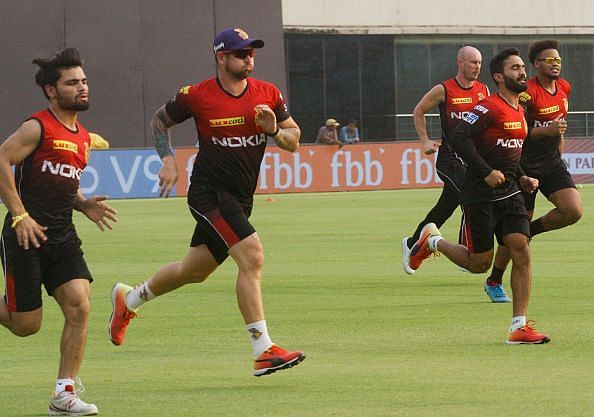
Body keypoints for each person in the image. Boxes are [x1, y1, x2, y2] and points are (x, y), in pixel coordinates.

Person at [108, 28, 305, 377]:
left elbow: (294, 141)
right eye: (241, 53)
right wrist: (167, 159)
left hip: (241, 198)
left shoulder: (268, 94)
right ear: (221, 58)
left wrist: (274, 131)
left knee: (193, 272)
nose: (249, 58)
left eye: (251, 52)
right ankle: (263, 349)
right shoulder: (196, 95)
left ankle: (130, 299)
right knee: (252, 254)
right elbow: (159, 121)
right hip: (209, 193)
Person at [0, 48, 117, 416]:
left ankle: (63, 395)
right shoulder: (36, 126)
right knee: (26, 326)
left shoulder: (83, 136)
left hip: (62, 235)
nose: (82, 88)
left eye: (83, 81)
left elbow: (63, 183)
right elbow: (1, 160)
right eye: (72, 83)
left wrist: (83, 205)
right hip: (25, 234)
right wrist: (19, 215)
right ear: (52, 90)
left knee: (80, 304)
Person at [408, 48, 550, 344]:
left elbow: (511, 152)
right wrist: (485, 171)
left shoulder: (519, 110)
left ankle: (519, 326)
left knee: (521, 250)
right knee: (479, 265)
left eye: (523, 67)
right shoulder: (488, 106)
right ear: (499, 77)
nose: (522, 72)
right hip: (480, 195)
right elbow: (458, 137)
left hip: (510, 191)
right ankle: (432, 241)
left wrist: (522, 175)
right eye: (515, 68)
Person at [484, 39, 583, 299]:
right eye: (549, 60)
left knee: (573, 211)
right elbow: (517, 129)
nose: (555, 64)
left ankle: (533, 231)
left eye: (558, 60)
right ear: (536, 64)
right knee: (515, 234)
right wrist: (546, 131)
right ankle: (494, 280)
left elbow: (559, 123)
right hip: (523, 166)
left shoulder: (564, 87)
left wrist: (557, 143)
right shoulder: (526, 93)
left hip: (551, 163)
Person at [400, 47, 500, 289]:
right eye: (473, 62)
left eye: (480, 62)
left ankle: (413, 242)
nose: (477, 66)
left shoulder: (483, 90)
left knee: (447, 205)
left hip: (472, 159)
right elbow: (419, 110)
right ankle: (465, 252)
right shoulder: (443, 90)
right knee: (470, 196)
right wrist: (424, 140)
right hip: (450, 159)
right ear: (460, 62)